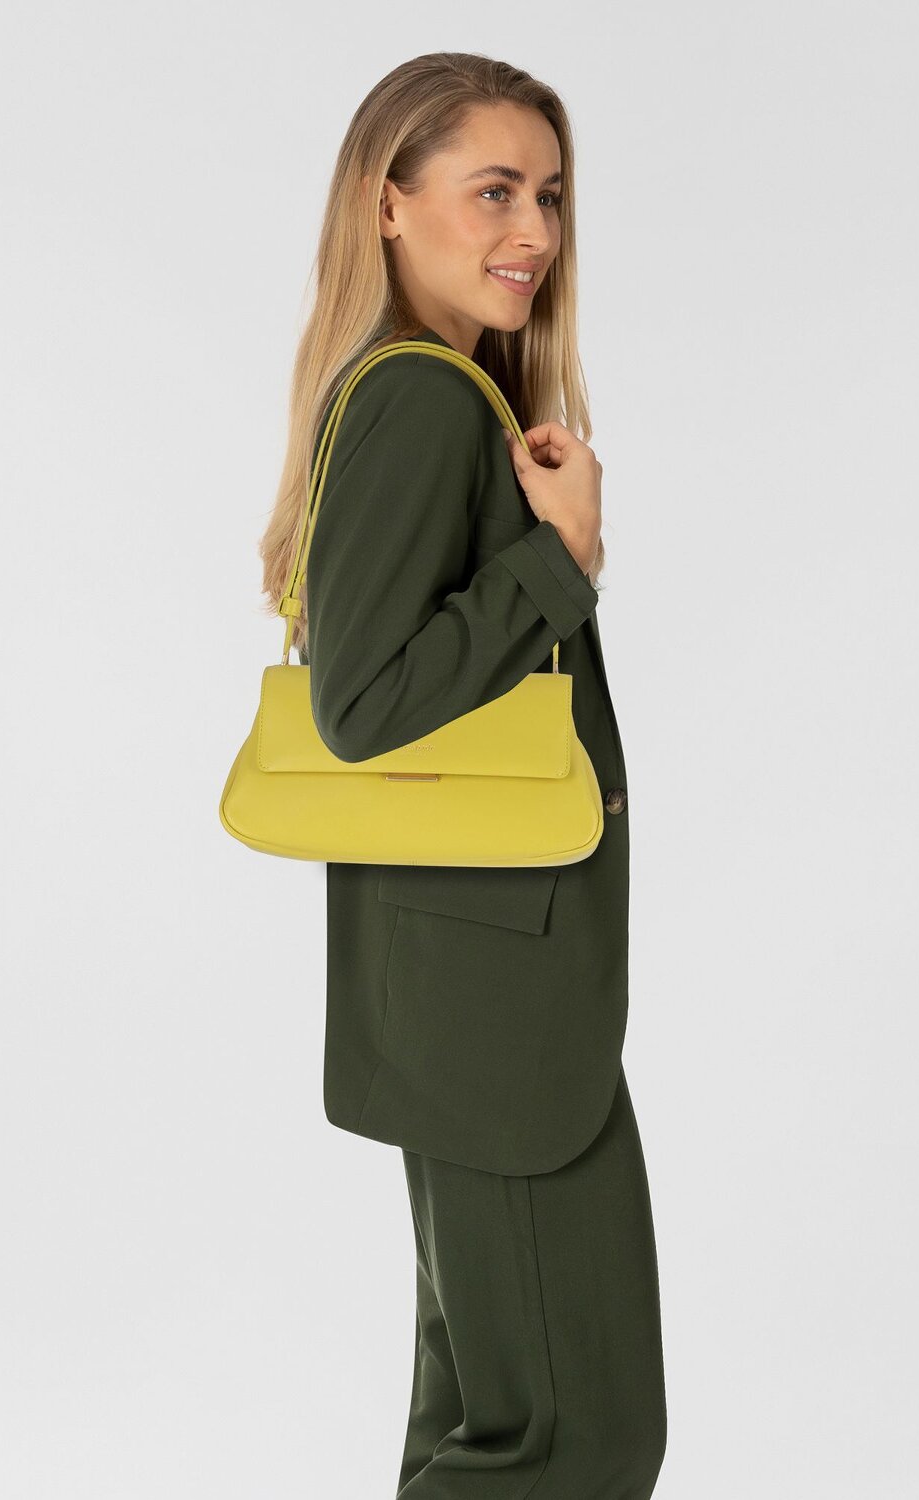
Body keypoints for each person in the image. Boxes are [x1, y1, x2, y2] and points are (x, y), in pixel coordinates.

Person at [256, 52, 667, 1498]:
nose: (535, 231)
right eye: (494, 191)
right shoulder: (424, 403)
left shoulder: (434, 395)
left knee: (490, 1427)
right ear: (390, 202)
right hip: (499, 1018)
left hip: (476, 996)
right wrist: (561, 560)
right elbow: (367, 703)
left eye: (549, 194)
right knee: (567, 1439)